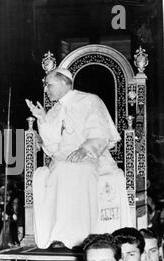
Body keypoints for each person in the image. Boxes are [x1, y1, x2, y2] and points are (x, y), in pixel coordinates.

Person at [26, 67, 132, 249]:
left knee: (75, 169)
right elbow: (51, 147)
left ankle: (83, 236)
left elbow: (100, 133)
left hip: (91, 156)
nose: (45, 90)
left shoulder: (89, 100)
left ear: (63, 83)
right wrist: (42, 119)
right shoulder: (55, 109)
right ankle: (59, 235)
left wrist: (84, 150)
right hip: (62, 158)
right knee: (59, 169)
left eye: (48, 85)